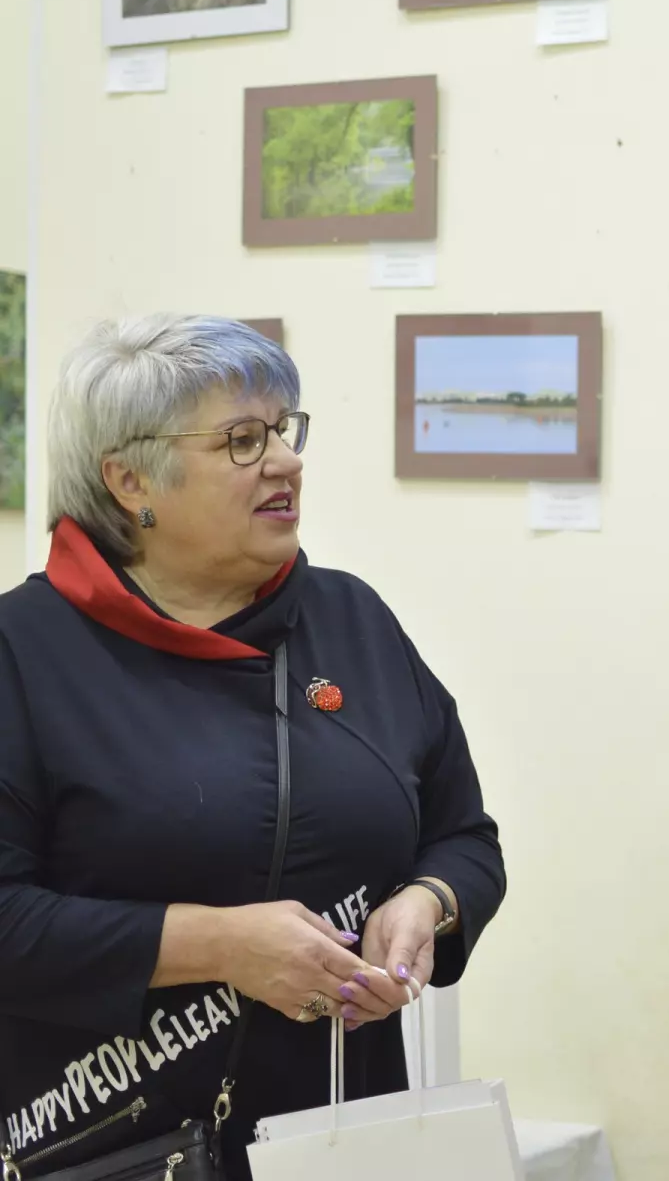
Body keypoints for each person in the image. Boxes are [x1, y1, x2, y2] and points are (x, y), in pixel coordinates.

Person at [0, 315, 507, 1180]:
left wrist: (429, 903)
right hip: (115, 1146)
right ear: (130, 480)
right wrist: (215, 946)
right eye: (241, 440)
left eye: (283, 429)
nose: (284, 461)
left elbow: (464, 837)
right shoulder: (23, 650)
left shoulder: (354, 619)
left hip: (345, 1143)